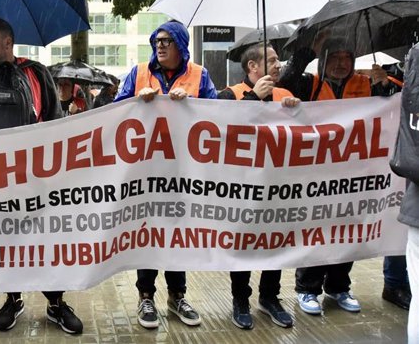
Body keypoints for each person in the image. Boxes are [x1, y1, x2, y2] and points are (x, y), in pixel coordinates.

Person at [0, 18, 83, 335]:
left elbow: (55, 123)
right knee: (6, 241)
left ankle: (56, 303)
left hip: (36, 179)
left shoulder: (36, 74)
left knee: (46, 241)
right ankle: (13, 298)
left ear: (8, 42)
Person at [115, 20, 217, 329]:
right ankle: (146, 296)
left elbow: (218, 114)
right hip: (146, 171)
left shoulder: (200, 76)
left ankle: (177, 296)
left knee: (176, 235)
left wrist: (193, 106)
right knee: (147, 232)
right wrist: (135, 101)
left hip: (183, 171)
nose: (160, 46)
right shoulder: (137, 74)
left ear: (181, 45)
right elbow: (114, 112)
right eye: (157, 41)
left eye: (167, 41)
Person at [279, 35, 392, 316]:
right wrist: (308, 49)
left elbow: (393, 110)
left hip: (354, 177)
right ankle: (308, 289)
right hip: (314, 177)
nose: (341, 64)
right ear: (324, 61)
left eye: (346, 58)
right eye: (334, 58)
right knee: (315, 233)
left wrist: (385, 86)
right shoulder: (307, 84)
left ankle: (339, 286)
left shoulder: (367, 85)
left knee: (348, 232)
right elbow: (284, 81)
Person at [218, 43, 298, 330]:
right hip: (242, 186)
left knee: (274, 241)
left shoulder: (285, 95)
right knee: (242, 243)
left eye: (278, 61)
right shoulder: (230, 94)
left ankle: (270, 297)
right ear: (253, 67)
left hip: (276, 185)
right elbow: (219, 126)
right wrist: (254, 97)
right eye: (272, 61)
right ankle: (240, 300)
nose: (278, 65)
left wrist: (293, 111)